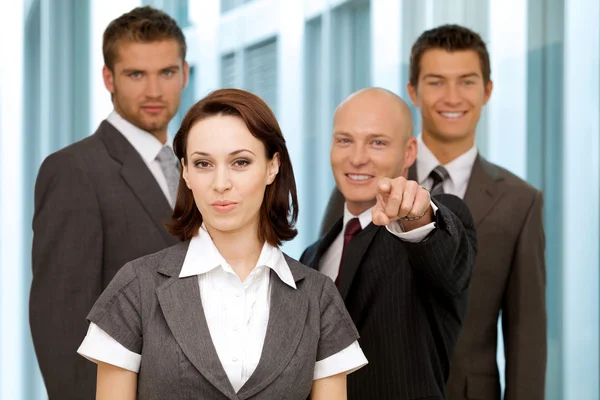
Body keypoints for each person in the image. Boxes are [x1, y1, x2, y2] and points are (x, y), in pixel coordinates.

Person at [77, 88, 368, 400]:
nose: (220, 184)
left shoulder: (318, 298)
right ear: (185, 172)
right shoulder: (136, 287)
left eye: (240, 162)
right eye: (204, 164)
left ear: (273, 166)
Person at [319, 24, 547, 400]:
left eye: (467, 82)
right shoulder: (358, 183)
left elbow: (527, 336)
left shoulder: (520, 202)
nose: (452, 97)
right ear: (414, 91)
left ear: (487, 90)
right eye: (437, 81)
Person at [30, 7, 188, 399]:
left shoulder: (194, 169)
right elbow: (62, 326)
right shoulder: (73, 171)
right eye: (136, 74)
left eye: (167, 72)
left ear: (185, 74)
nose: (154, 91)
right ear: (108, 78)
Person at [301, 87, 477, 399]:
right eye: (344, 140)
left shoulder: (428, 223)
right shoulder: (312, 255)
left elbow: (447, 260)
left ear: (410, 152)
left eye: (377, 143)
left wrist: (417, 215)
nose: (356, 158)